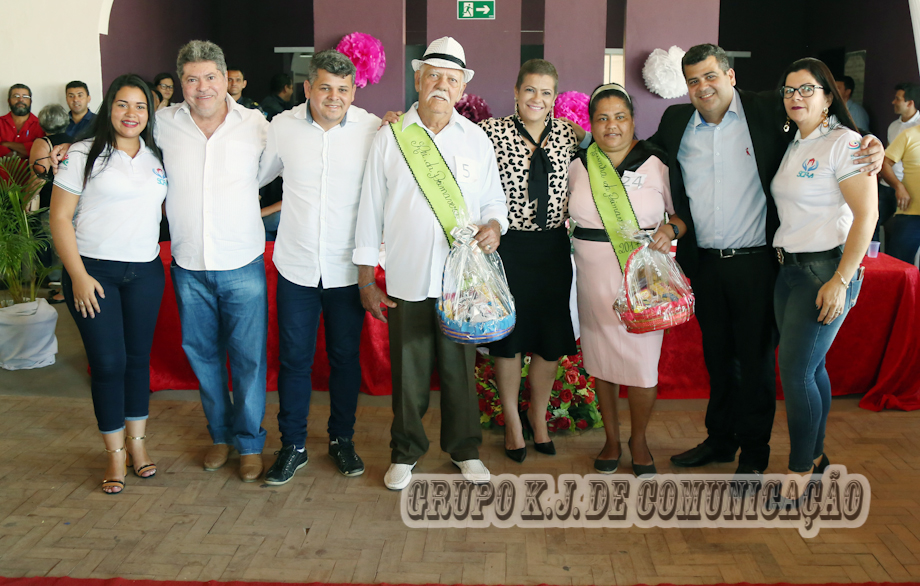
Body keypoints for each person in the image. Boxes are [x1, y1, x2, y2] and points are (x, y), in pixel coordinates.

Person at [649, 44, 883, 476]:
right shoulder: (675, 121)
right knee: (718, 359)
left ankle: (754, 454)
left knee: (756, 364)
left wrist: (872, 144)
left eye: (711, 76)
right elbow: (642, 154)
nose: (703, 87)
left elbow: (825, 125)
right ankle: (720, 440)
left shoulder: (769, 109)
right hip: (705, 263)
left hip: (758, 263)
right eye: (693, 80)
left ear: (730, 76)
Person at [354, 36, 508, 490]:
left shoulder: (476, 139)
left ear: (462, 88)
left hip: (463, 282)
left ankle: (465, 451)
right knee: (409, 373)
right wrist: (365, 277)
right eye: (434, 76)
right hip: (407, 276)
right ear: (419, 80)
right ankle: (405, 453)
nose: (442, 85)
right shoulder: (391, 136)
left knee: (460, 373)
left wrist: (495, 226)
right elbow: (370, 209)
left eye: (451, 79)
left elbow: (494, 200)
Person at [258, 49, 381, 484]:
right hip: (297, 267)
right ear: (308, 87)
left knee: (345, 358)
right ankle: (292, 445)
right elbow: (256, 176)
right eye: (325, 87)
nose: (334, 97)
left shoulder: (373, 129)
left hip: (347, 270)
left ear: (354, 92)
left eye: (343, 89)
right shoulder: (282, 127)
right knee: (294, 360)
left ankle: (341, 439)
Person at [157, 40, 271, 482]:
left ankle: (249, 443)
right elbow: (117, 136)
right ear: (180, 83)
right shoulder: (163, 124)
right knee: (203, 357)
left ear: (225, 78)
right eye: (191, 79)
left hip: (242, 262)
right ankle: (220, 436)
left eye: (210, 77)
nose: (202, 87)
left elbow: (276, 168)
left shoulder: (256, 125)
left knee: (248, 361)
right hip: (188, 264)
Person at [48, 74, 167, 494]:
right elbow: (59, 218)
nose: (131, 113)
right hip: (93, 273)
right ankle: (114, 453)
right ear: (108, 108)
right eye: (122, 104)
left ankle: (138, 445)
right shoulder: (83, 154)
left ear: (149, 113)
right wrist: (78, 275)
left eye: (140, 106)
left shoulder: (156, 157)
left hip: (145, 273)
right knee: (108, 363)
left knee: (137, 362)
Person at [569, 84, 685, 476]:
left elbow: (682, 215)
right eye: (602, 118)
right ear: (591, 124)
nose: (611, 125)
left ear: (634, 120)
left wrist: (670, 230)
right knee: (600, 361)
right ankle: (611, 440)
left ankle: (638, 440)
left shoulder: (657, 162)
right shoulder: (579, 164)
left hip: (643, 280)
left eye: (620, 116)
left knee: (642, 364)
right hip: (592, 276)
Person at [772, 58, 876, 488]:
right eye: (789, 90)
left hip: (825, 271)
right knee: (811, 370)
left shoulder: (845, 143)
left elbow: (867, 216)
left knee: (796, 372)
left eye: (806, 89)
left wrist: (842, 280)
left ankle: (800, 471)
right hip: (789, 273)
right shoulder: (794, 141)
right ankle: (816, 454)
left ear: (828, 96)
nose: (795, 97)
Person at [477, 59, 581, 462]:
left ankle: (538, 418)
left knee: (548, 343)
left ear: (555, 97)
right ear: (517, 92)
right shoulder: (490, 132)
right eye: (530, 90)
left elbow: (613, 144)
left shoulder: (569, 135)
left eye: (546, 92)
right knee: (510, 341)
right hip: (508, 248)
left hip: (553, 248)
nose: (538, 98)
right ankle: (512, 423)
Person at [29, 104, 72, 303]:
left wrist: (27, 200)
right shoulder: (74, 141)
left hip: (52, 201)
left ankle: (64, 289)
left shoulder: (42, 143)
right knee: (72, 244)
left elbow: (39, 177)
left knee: (58, 246)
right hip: (73, 200)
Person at [878, 83, 920, 240]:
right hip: (887, 185)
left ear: (910, 103)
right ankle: (871, 254)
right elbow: (888, 156)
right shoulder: (894, 126)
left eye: (897, 99)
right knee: (871, 221)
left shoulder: (918, 128)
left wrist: (900, 187)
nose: (893, 102)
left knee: (898, 233)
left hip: (907, 189)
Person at [881, 123, 920, 265]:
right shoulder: (908, 135)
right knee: (897, 264)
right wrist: (899, 186)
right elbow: (884, 163)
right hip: (910, 212)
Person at [1, 84, 45, 159]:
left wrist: (7, 144)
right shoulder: (1, 122)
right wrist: (26, 151)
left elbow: (41, 150)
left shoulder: (41, 125)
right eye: (16, 96)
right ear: (8, 101)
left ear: (30, 101)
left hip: (30, 167)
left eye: (25, 96)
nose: (20, 100)